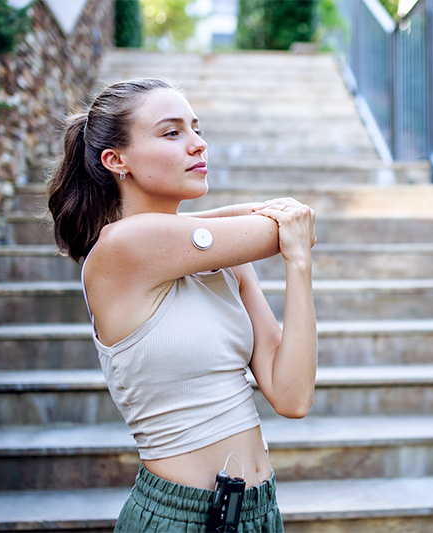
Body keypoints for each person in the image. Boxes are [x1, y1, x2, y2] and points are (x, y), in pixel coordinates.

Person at [47, 77, 317, 532]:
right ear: (116, 161)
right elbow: (277, 226)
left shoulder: (223, 261)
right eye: (172, 133)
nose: (198, 144)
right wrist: (290, 234)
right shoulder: (121, 247)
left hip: (259, 514)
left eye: (197, 128)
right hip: (179, 518)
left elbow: (292, 396)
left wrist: (300, 266)